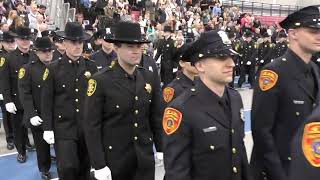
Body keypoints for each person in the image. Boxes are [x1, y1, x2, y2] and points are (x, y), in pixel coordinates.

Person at [163, 29, 252, 180]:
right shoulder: (181, 109)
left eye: (231, 57)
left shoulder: (235, 98)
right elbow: (177, 173)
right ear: (200, 65)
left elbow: (239, 152)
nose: (231, 63)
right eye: (221, 57)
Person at [83, 21, 162, 180]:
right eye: (130, 47)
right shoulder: (100, 81)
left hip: (143, 158)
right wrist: (98, 164)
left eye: (139, 47)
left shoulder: (149, 76)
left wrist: (160, 147)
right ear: (117, 47)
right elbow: (92, 126)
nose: (136, 51)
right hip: (115, 160)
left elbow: (155, 116)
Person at [251, 5, 320, 180]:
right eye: (313, 31)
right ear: (293, 33)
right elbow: (262, 132)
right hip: (281, 169)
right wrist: (279, 174)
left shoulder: (315, 70)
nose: (319, 36)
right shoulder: (274, 73)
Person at [41, 22, 97, 180]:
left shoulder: (91, 67)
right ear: (64, 43)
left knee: (85, 168)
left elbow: (95, 100)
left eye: (81, 42)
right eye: (74, 42)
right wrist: (47, 127)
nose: (78, 46)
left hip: (85, 128)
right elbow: (46, 101)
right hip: (64, 128)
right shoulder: (53, 69)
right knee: (67, 168)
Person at [18, 37, 54, 180]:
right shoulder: (28, 69)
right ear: (37, 52)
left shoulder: (57, 66)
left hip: (56, 114)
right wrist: (31, 114)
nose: (48, 54)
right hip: (39, 115)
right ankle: (44, 169)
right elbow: (24, 93)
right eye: (44, 51)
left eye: (50, 51)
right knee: (41, 146)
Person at [0, 26, 36, 163]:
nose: (25, 42)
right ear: (16, 39)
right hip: (17, 100)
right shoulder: (8, 58)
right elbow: (4, 82)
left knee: (36, 128)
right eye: (22, 39)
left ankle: (33, 147)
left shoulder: (35, 55)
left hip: (34, 100)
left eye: (27, 39)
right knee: (18, 129)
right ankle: (21, 151)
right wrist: (8, 100)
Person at [0, 31, 16, 150]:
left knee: (18, 115)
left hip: (16, 89)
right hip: (3, 91)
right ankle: (10, 138)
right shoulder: (1, 57)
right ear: (2, 43)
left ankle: (22, 138)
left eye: (12, 41)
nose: (11, 44)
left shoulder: (17, 55)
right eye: (8, 42)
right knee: (7, 116)